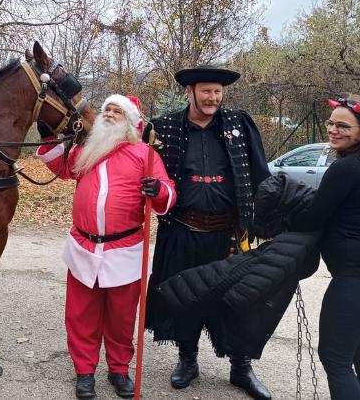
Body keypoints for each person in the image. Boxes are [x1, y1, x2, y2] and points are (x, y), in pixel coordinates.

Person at [145, 65, 273, 399]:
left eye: (217, 92)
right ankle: (188, 360)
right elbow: (146, 169)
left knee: (240, 302)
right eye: (206, 91)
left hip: (230, 234)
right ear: (191, 92)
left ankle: (241, 367)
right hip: (182, 230)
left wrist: (272, 218)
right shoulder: (164, 128)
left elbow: (260, 173)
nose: (213, 98)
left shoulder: (238, 124)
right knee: (185, 297)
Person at [36, 94, 176, 399]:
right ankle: (85, 371)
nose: (110, 114)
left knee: (122, 318)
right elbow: (61, 167)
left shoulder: (144, 154)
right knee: (80, 314)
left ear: (131, 122)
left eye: (117, 111)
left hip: (124, 251)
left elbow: (167, 192)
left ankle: (119, 369)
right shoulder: (87, 150)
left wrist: (158, 191)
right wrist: (48, 138)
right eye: (107, 110)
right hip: (84, 247)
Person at [288, 96, 360, 400]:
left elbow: (313, 217)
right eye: (331, 123)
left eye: (343, 125)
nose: (334, 130)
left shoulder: (346, 168)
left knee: (336, 360)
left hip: (357, 282)